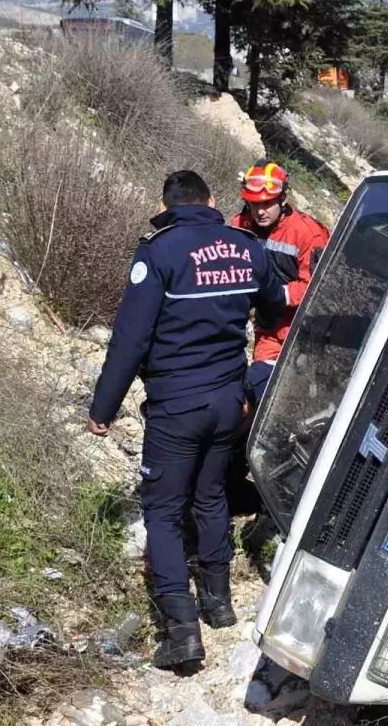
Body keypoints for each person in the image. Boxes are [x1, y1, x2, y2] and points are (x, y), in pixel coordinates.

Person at [88, 170, 286, 671]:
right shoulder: (245, 247)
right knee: (212, 494)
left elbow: (130, 339)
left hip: (177, 404)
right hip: (228, 402)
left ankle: (181, 632)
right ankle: (219, 605)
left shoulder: (159, 251)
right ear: (214, 201)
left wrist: (103, 408)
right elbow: (272, 302)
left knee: (163, 511)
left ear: (165, 204)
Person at [231, 160, 330, 408]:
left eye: (266, 203)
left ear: (283, 199)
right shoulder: (239, 226)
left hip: (300, 332)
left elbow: (316, 288)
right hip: (266, 329)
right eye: (254, 204)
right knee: (255, 393)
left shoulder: (308, 233)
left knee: (290, 400)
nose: (260, 211)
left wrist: (276, 295)